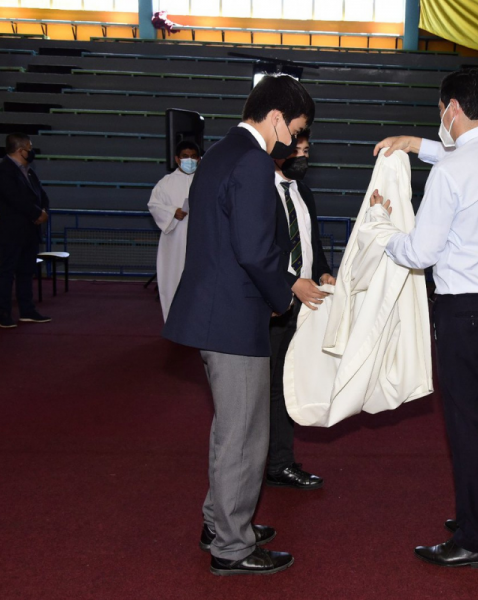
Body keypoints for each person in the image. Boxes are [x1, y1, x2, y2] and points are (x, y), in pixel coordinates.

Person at [370, 67, 478, 569]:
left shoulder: (452, 172)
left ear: (451, 107)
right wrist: (416, 143)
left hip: (467, 310)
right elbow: (464, 155)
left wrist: (381, 232)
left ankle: (475, 539)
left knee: (468, 422)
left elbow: (420, 251)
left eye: (441, 110)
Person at [163, 75, 313, 576]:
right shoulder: (252, 160)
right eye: (296, 129)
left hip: (216, 311)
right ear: (275, 119)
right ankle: (232, 545)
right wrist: (283, 296)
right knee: (245, 436)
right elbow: (254, 248)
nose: (293, 141)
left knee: (231, 430)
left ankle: (220, 521)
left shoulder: (222, 152)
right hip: (233, 314)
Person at [266, 128, 334, 489]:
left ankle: (278, 461)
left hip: (304, 304)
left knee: (287, 384)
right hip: (272, 304)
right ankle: (268, 463)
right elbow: (258, 250)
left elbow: (312, 242)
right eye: (298, 151)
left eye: (308, 151)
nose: (303, 158)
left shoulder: (303, 191)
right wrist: (291, 281)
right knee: (267, 388)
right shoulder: (261, 191)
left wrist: (322, 270)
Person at [0, 133, 51, 328]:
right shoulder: (2, 171)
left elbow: (41, 194)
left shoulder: (29, 171)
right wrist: (36, 214)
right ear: (20, 150)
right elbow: (15, 198)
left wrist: (43, 211)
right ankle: (4, 314)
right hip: (11, 231)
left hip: (29, 231)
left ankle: (27, 310)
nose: (31, 151)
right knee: (7, 272)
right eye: (29, 148)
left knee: (26, 271)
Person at [147, 140, 200, 322]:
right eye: (185, 156)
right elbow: (153, 205)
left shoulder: (205, 180)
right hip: (175, 241)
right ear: (177, 159)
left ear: (199, 159)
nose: (189, 160)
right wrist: (172, 212)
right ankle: (174, 322)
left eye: (193, 156)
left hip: (201, 241)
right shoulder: (166, 183)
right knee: (173, 279)